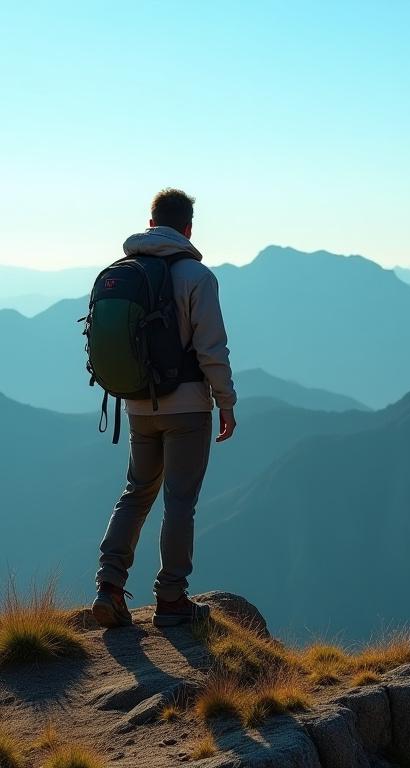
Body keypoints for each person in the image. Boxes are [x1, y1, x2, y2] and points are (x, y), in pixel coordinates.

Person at [91, 188, 237, 629]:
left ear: (151, 223)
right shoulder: (197, 276)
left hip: (137, 403)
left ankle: (108, 587)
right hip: (188, 407)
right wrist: (225, 403)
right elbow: (212, 349)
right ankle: (171, 598)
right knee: (179, 500)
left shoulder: (121, 271)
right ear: (188, 227)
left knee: (136, 492)